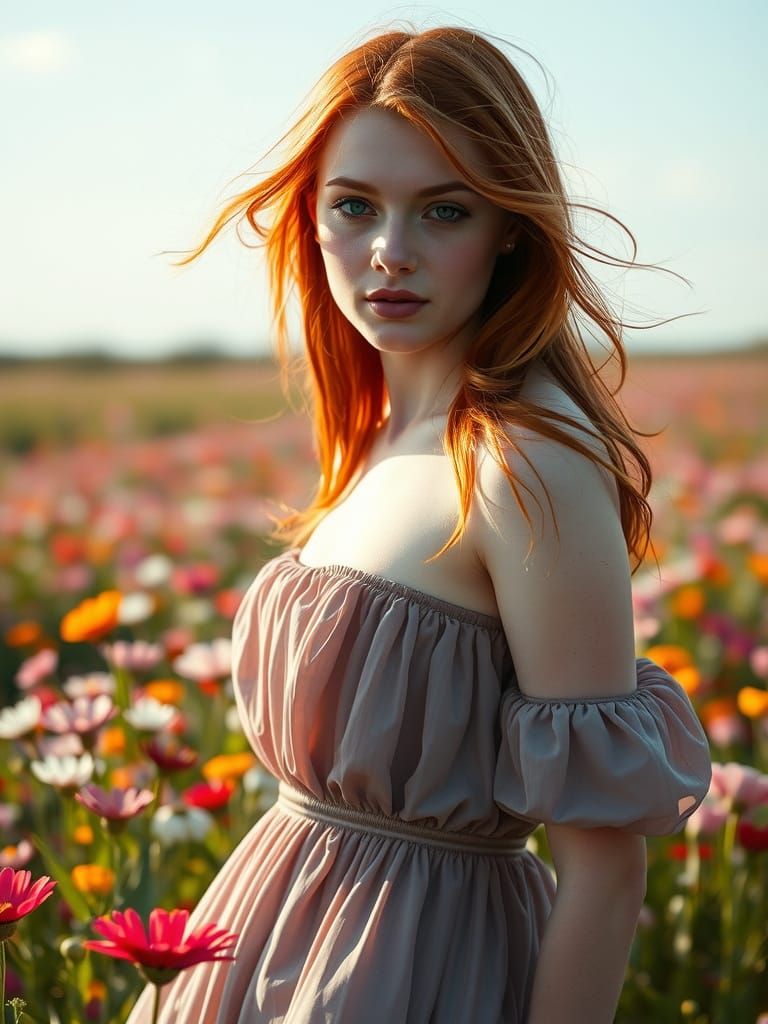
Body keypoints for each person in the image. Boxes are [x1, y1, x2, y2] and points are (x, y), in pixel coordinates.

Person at [127, 24, 712, 1023]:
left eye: (444, 210)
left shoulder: (523, 458)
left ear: (512, 228)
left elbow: (606, 871)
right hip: (264, 956)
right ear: (311, 218)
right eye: (354, 206)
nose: (390, 255)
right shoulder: (383, 430)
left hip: (420, 972)